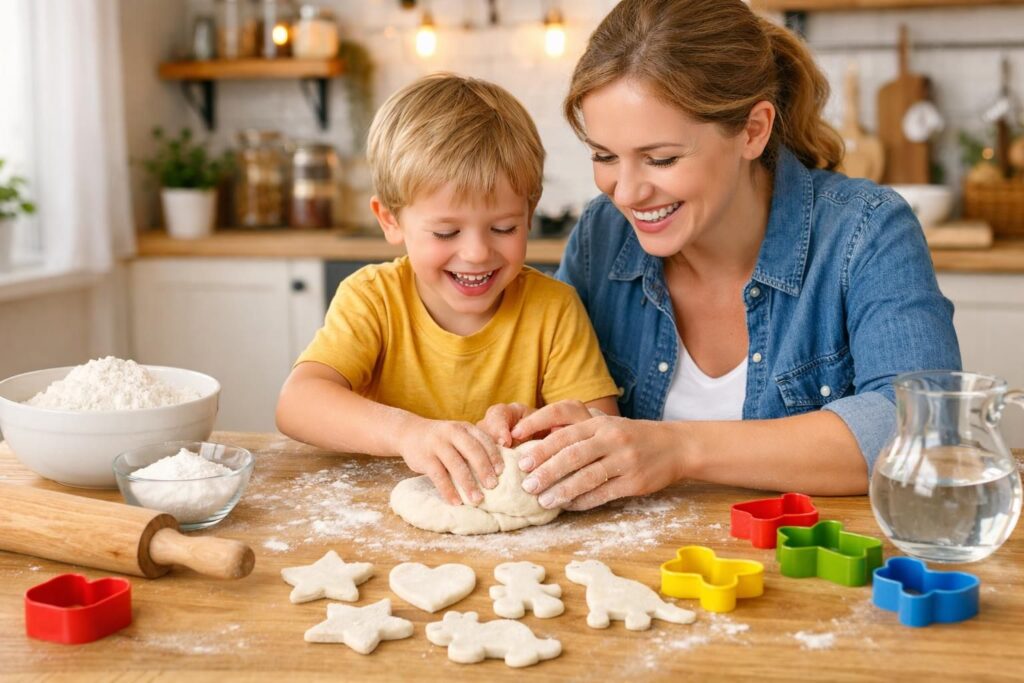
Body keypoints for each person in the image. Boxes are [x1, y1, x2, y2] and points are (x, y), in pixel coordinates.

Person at [477, 0, 961, 511]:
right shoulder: (603, 236)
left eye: (661, 158)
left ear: (753, 130)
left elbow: (925, 431)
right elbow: (552, 385)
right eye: (604, 156)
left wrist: (679, 447)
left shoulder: (866, 232)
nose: (626, 193)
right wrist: (527, 424)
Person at [276, 73, 620, 507]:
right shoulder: (373, 299)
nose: (477, 253)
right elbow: (297, 403)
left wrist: (539, 430)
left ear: (530, 214)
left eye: (503, 227)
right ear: (390, 220)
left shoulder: (553, 310)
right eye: (445, 232)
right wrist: (408, 433)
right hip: (381, 522)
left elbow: (602, 432)